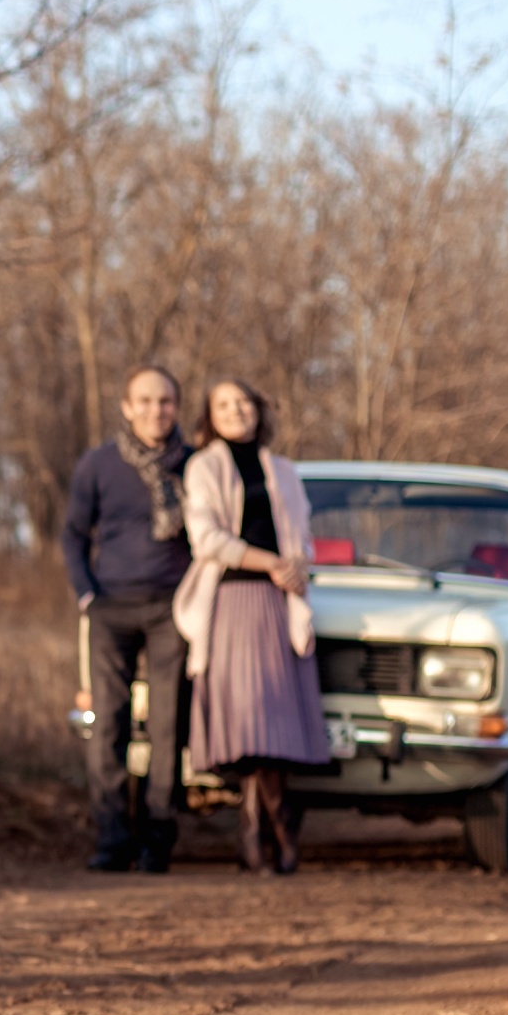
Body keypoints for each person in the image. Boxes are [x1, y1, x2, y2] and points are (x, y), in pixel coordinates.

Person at [174, 378, 327, 873]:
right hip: (232, 601)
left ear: (259, 411)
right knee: (250, 722)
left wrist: (297, 565)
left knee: (275, 728)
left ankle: (261, 828)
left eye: (244, 403)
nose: (236, 411)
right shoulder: (203, 466)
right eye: (224, 405)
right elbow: (208, 540)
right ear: (210, 416)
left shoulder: (283, 470)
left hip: (280, 604)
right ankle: (271, 830)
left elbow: (302, 537)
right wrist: (272, 563)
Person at [61, 364, 194, 872]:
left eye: (165, 401)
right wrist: (86, 595)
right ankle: (112, 840)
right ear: (126, 406)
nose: (155, 411)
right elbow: (73, 534)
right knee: (108, 725)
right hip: (110, 607)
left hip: (170, 609)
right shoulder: (98, 464)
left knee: (167, 725)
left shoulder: (195, 464)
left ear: (176, 407)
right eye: (144, 401)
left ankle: (158, 840)